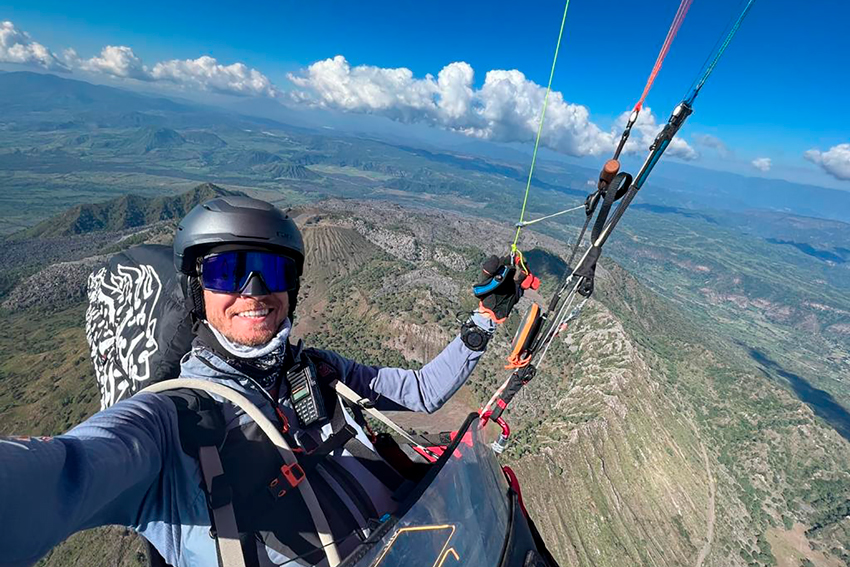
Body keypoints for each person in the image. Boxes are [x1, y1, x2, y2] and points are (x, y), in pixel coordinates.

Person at [0, 196, 527, 567]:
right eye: (228, 272)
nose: (253, 291)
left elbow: (418, 392)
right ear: (196, 292)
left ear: (292, 288)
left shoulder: (318, 371)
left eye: (270, 273)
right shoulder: (168, 422)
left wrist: (483, 323)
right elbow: (63, 473)